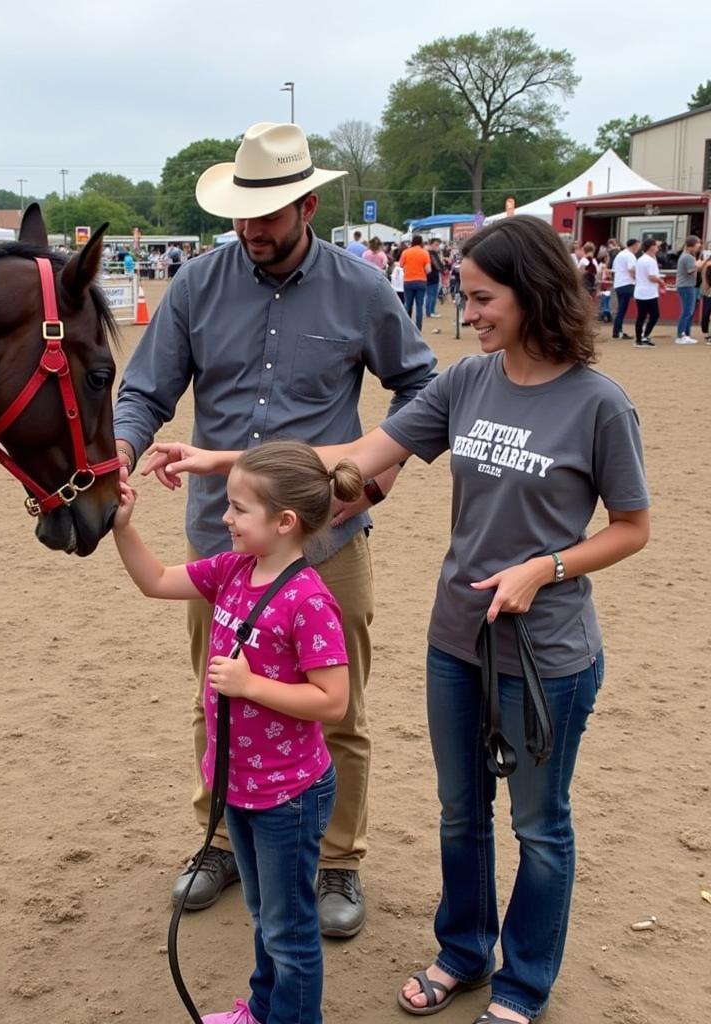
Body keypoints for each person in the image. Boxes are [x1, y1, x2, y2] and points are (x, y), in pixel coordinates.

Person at [149, 215, 651, 1024]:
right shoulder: (467, 382)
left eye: (482, 297)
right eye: (464, 292)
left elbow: (632, 527)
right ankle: (463, 952)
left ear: (532, 294)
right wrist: (218, 461)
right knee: (462, 811)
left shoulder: (599, 404)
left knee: (538, 825)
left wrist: (545, 567)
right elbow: (355, 456)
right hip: (458, 639)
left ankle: (521, 986)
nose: (468, 309)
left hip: (545, 651)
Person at [113, 120, 437, 939]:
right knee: (215, 692)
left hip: (329, 540)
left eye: (268, 215)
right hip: (221, 535)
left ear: (308, 205)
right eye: (241, 216)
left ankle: (339, 860)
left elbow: (421, 391)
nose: (251, 231)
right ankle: (221, 839)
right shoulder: (195, 284)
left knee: (339, 703)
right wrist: (122, 446)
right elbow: (146, 390)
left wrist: (381, 477)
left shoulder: (362, 288)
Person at [114, 441, 362, 1024]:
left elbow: (334, 701)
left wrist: (251, 686)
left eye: (238, 509)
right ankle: (261, 1009)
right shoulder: (231, 569)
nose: (224, 518)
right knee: (262, 913)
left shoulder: (309, 600)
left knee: (289, 930)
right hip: (241, 787)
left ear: (284, 522)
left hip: (289, 796)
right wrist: (124, 528)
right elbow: (154, 581)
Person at [633, 238, 664, 346]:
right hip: (648, 293)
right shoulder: (649, 261)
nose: (657, 248)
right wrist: (661, 282)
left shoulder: (642, 259)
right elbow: (651, 277)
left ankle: (639, 338)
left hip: (641, 291)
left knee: (641, 316)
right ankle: (644, 336)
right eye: (655, 245)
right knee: (654, 315)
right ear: (651, 247)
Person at [673, 235, 702, 344]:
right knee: (687, 311)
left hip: (687, 286)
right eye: (697, 244)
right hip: (686, 286)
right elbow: (690, 270)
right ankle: (681, 335)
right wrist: (699, 264)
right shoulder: (687, 257)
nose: (698, 246)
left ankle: (686, 334)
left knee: (689, 312)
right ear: (691, 246)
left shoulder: (687, 255)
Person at [400, 234, 431, 329]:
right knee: (419, 306)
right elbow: (428, 270)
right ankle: (418, 327)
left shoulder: (405, 252)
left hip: (408, 281)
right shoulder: (425, 253)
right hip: (421, 281)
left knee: (407, 305)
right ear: (421, 242)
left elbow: (401, 265)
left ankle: (406, 326)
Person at [611, 238, 639, 339]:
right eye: (637, 245)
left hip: (619, 284)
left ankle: (617, 331)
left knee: (621, 309)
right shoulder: (630, 255)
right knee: (641, 301)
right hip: (627, 284)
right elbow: (632, 270)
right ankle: (618, 331)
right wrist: (638, 281)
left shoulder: (621, 254)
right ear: (634, 245)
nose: (638, 248)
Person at [425, 238, 444, 319]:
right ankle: (430, 312)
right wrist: (443, 268)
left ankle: (430, 311)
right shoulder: (431, 253)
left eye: (438, 245)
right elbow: (437, 265)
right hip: (432, 276)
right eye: (436, 245)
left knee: (431, 295)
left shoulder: (428, 253)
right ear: (431, 244)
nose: (438, 247)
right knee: (431, 295)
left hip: (430, 276)